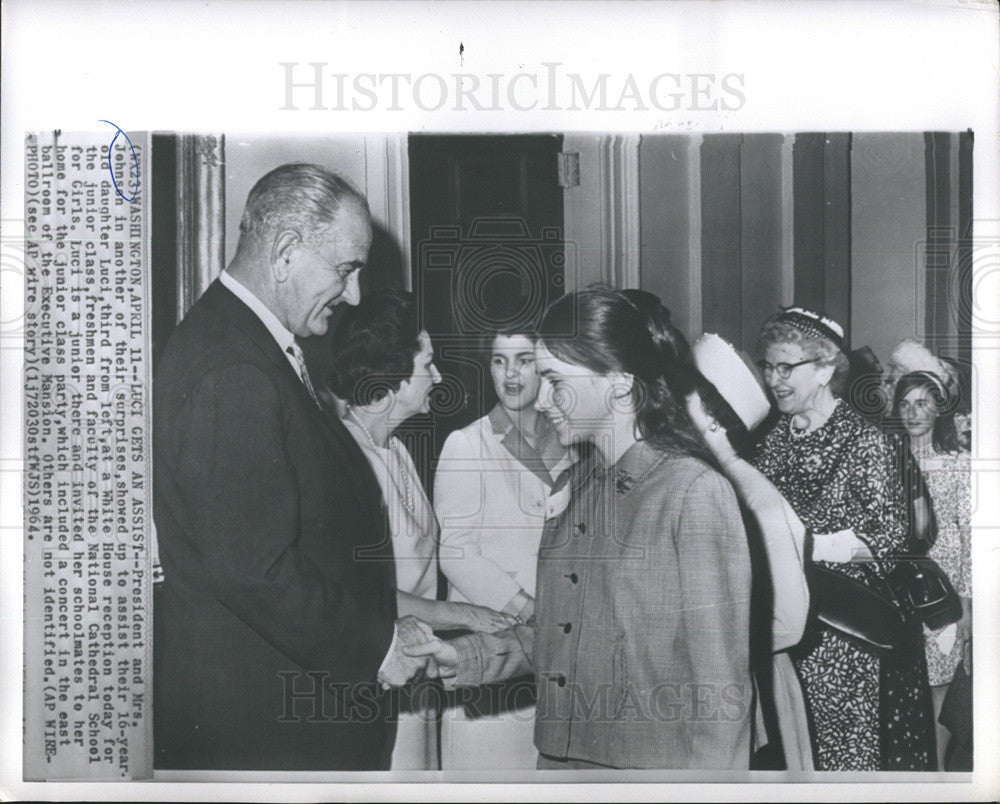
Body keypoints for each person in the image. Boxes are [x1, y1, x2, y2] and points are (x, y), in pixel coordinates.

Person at [153, 164, 430, 770]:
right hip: (265, 731)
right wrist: (376, 646)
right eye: (346, 270)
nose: (355, 295)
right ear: (284, 254)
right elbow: (255, 567)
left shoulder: (246, 344)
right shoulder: (235, 368)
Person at [406, 287, 754, 770]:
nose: (541, 397)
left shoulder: (691, 493)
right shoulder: (581, 484)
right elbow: (560, 633)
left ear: (618, 383)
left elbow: (724, 693)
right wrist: (466, 656)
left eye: (553, 378)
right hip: (562, 764)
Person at [328, 290, 516, 770]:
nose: (437, 377)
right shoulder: (346, 459)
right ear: (390, 379)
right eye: (426, 365)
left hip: (418, 677)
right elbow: (355, 592)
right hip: (377, 679)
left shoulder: (396, 449)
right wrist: (465, 614)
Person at [753, 306, 934, 771]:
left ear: (826, 368)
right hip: (785, 630)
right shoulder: (772, 439)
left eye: (786, 366)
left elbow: (889, 538)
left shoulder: (866, 441)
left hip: (850, 640)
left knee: (843, 761)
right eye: (768, 366)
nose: (774, 378)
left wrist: (810, 545)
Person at [433, 324, 574, 769]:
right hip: (489, 655)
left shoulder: (571, 442)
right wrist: (529, 607)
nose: (510, 374)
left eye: (524, 360)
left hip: (550, 663)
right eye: (499, 360)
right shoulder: (466, 444)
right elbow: (455, 552)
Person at [680, 333, 813, 771]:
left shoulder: (758, 499)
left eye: (684, 402)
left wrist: (701, 647)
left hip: (759, 690)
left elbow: (790, 622)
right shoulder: (698, 484)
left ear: (715, 419)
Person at [890, 370, 972, 769]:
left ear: (939, 409)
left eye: (922, 402)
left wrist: (969, 603)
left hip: (944, 590)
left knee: (940, 679)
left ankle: (939, 769)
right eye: (905, 403)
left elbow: (971, 533)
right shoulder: (888, 457)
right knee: (908, 678)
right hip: (899, 585)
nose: (913, 412)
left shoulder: (958, 464)